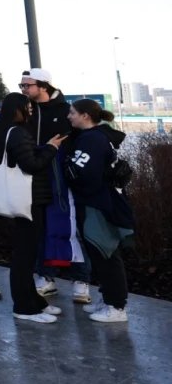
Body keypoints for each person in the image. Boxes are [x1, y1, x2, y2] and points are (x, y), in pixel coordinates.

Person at [0, 92, 67, 323]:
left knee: (28, 253)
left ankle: (34, 300)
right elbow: (31, 164)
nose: (31, 111)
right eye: (28, 108)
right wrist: (51, 148)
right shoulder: (18, 133)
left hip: (29, 200)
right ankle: (24, 307)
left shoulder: (6, 131)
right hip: (28, 200)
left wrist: (43, 148)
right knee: (24, 255)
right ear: (17, 109)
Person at [20, 69, 90, 303]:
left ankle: (81, 280)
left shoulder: (66, 111)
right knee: (42, 227)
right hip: (35, 178)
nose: (23, 90)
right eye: (22, 86)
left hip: (63, 179)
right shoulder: (26, 110)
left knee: (72, 227)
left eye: (27, 85)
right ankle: (46, 276)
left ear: (43, 86)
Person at [65, 99, 131, 323]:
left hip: (97, 204)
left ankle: (117, 307)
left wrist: (67, 169)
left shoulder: (92, 139)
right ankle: (108, 300)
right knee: (99, 253)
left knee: (106, 254)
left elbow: (83, 173)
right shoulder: (94, 137)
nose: (69, 116)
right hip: (97, 202)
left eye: (72, 113)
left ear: (85, 116)